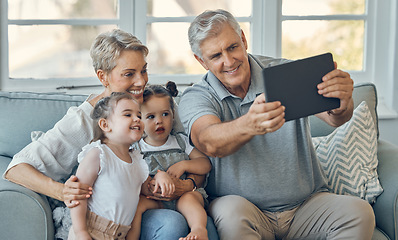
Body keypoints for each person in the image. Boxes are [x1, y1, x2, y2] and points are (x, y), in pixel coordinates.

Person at [178, 9, 375, 240]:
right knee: (230, 214)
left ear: (243, 39)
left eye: (232, 47)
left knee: (360, 213)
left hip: (307, 205)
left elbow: (335, 118)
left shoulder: (284, 73)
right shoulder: (197, 96)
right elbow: (209, 141)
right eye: (216, 56)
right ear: (201, 61)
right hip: (245, 210)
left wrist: (342, 102)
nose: (229, 61)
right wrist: (249, 124)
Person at [3, 29, 217, 240]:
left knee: (202, 223)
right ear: (103, 77)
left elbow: (190, 154)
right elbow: (16, 168)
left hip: (156, 201)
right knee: (172, 224)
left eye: (143, 70)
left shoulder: (154, 102)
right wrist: (63, 192)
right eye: (129, 74)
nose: (141, 81)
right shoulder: (82, 122)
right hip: (102, 220)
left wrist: (188, 184)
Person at [132, 83, 212, 240]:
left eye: (165, 114)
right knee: (137, 205)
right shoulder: (136, 147)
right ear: (140, 120)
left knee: (189, 199)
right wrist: (159, 176)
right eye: (151, 116)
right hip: (155, 200)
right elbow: (133, 173)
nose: (159, 121)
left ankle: (199, 229)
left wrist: (184, 164)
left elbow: (205, 164)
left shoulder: (181, 141)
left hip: (183, 197)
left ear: (173, 115)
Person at [69, 92, 150, 239]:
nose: (137, 119)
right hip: (91, 230)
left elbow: (141, 197)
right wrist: (81, 232)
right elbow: (78, 195)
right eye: (127, 115)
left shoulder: (138, 162)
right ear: (105, 125)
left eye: (139, 115)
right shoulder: (98, 155)